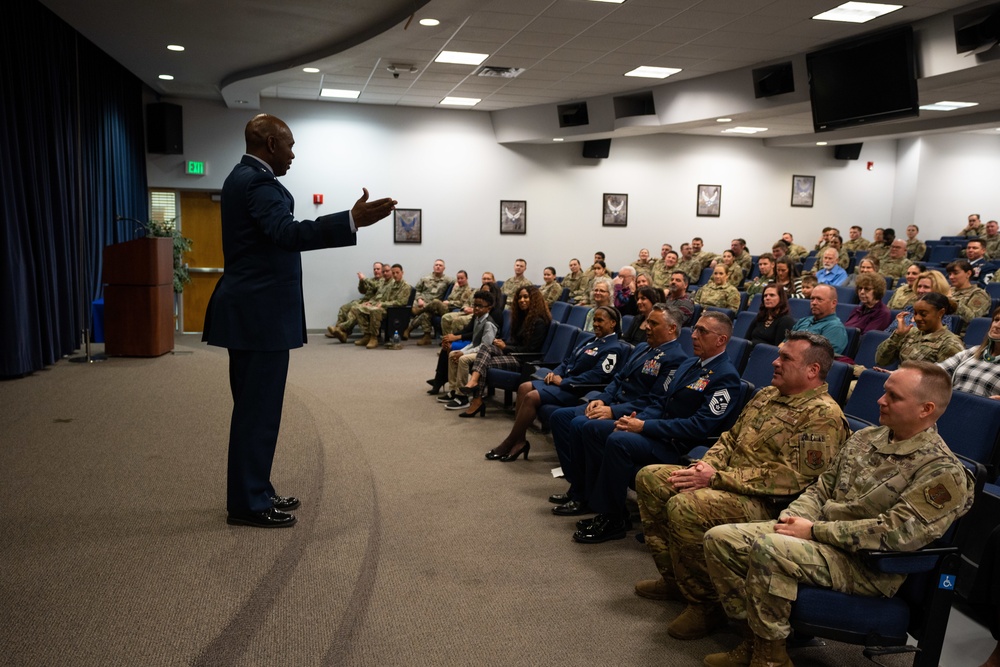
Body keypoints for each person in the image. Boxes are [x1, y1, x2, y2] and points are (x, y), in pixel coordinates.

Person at [702, 361, 975, 667]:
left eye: (893, 397)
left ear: (926, 409)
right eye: (884, 392)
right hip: (820, 539)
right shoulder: (865, 438)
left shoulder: (942, 471)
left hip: (866, 566)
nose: (880, 400)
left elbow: (895, 534)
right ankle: (756, 638)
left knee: (770, 548)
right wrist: (790, 519)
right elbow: (821, 489)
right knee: (721, 539)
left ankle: (769, 657)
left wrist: (814, 531)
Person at [203, 113, 396, 528]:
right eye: (289, 145)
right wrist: (350, 220)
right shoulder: (257, 182)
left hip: (252, 313)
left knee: (254, 408)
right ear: (270, 144)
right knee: (258, 410)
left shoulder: (240, 177)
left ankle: (256, 489)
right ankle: (249, 503)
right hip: (261, 316)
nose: (293, 154)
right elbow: (287, 234)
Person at [633, 332, 848, 640]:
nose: (775, 362)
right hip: (727, 482)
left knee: (686, 506)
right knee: (652, 478)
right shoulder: (767, 395)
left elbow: (792, 478)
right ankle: (676, 579)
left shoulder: (823, 415)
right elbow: (730, 438)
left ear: (813, 370)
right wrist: (704, 467)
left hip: (770, 503)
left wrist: (716, 479)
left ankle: (706, 604)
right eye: (778, 354)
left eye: (786, 358)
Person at [568, 311, 743, 544]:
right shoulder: (691, 364)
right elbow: (662, 402)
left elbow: (699, 427)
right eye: (695, 329)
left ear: (721, 340)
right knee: (595, 428)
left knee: (619, 442)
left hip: (678, 444)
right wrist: (632, 420)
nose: (693, 335)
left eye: (702, 331)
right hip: (658, 432)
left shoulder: (726, 378)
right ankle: (599, 501)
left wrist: (644, 427)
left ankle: (612, 519)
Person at [547, 304, 689, 510]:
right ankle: (579, 484)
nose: (645, 327)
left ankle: (585, 494)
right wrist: (603, 399)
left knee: (582, 424)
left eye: (653, 323)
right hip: (612, 404)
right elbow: (618, 378)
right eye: (647, 321)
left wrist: (613, 411)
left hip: (633, 413)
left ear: (671, 328)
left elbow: (654, 399)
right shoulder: (641, 348)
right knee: (560, 418)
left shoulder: (676, 359)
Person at [486, 306, 625, 462]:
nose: (595, 324)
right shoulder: (591, 340)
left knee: (531, 397)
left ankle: (510, 442)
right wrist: (556, 373)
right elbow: (567, 361)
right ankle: (520, 441)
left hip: (578, 390)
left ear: (613, 323)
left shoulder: (614, 348)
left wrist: (564, 381)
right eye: (594, 320)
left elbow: (596, 376)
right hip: (565, 384)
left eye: (600, 320)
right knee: (524, 387)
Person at [458, 286, 551, 417]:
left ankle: (476, 398)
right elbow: (516, 342)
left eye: (526, 297)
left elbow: (531, 349)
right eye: (520, 297)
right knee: (486, 347)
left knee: (482, 363)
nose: (522, 300)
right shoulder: (523, 318)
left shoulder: (539, 322)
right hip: (513, 354)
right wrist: (503, 343)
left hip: (524, 360)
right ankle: (474, 388)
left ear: (534, 300)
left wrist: (505, 347)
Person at [427, 289, 498, 402]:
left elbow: (485, 347)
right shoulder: (477, 319)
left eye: (480, 306)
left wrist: (463, 353)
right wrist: (462, 351)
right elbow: (473, 342)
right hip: (476, 349)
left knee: (463, 359)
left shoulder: (489, 324)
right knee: (452, 354)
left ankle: (462, 396)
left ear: (488, 308)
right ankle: (453, 390)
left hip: (485, 353)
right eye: (475, 305)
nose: (476, 308)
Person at [876, 293, 964, 369]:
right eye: (915, 313)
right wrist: (898, 335)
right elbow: (881, 361)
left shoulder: (950, 343)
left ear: (940, 313)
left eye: (923, 314)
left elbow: (942, 380)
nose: (917, 318)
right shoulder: (910, 332)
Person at [939, 306, 1000, 399]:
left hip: (984, 411)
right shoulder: (974, 351)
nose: (997, 325)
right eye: (996, 320)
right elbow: (937, 371)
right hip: (951, 406)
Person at [351, 263, 411, 348]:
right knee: (357, 308)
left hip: (393, 310)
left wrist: (383, 304)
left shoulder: (405, 286)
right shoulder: (391, 284)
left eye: (397, 273)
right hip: (384, 307)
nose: (395, 275)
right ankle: (367, 335)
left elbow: (401, 302)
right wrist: (371, 302)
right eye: (393, 273)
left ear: (402, 273)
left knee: (374, 310)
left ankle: (374, 338)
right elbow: (381, 297)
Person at [326, 261, 383, 342]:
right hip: (363, 301)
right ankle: (337, 330)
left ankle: (343, 331)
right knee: (344, 308)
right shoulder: (371, 280)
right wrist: (361, 281)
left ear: (382, 270)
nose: (376, 271)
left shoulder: (383, 281)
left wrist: (365, 279)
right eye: (374, 269)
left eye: (378, 269)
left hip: (371, 303)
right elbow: (362, 291)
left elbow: (376, 287)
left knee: (354, 309)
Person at [886, 270, 956, 334]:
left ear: (938, 289)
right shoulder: (909, 309)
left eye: (926, 287)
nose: (921, 290)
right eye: (919, 286)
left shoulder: (942, 315)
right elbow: (887, 332)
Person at [402, 259, 453, 344]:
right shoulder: (425, 278)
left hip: (434, 305)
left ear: (444, 268)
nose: (438, 266)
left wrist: (457, 285)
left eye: (440, 265)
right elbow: (416, 290)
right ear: (433, 267)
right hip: (423, 302)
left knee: (434, 303)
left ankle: (408, 329)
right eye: (436, 265)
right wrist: (419, 299)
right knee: (425, 314)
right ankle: (427, 336)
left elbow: (460, 281)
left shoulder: (448, 279)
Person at [790, 284, 848, 355]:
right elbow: (784, 344)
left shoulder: (835, 328)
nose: (814, 303)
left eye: (819, 299)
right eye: (812, 299)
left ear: (833, 303)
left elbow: (821, 358)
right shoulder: (803, 321)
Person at [947, 259, 992, 328]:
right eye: (950, 274)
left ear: (968, 274)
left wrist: (951, 300)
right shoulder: (949, 290)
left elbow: (972, 319)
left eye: (955, 273)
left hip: (961, 333)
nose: (951, 277)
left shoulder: (979, 294)